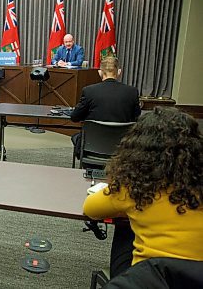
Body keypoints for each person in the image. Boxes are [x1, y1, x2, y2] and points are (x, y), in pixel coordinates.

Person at [83, 107, 203, 279]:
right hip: (197, 279)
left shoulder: (134, 187)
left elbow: (90, 209)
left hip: (149, 279)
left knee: (124, 228)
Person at [70, 56, 141, 160]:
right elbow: (137, 119)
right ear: (119, 72)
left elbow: (74, 117)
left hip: (92, 145)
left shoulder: (89, 91)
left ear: (100, 72)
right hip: (121, 147)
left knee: (76, 137)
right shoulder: (132, 92)